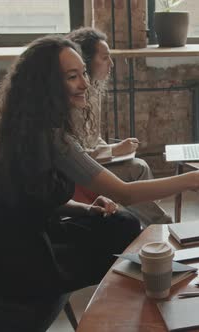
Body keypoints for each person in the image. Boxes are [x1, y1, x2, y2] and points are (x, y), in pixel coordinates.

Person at [0, 35, 199, 330]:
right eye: (73, 76)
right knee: (123, 228)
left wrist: (84, 210)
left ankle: (131, 310)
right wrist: (194, 179)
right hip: (17, 259)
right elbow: (125, 192)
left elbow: (32, 199)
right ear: (45, 87)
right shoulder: (50, 138)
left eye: (83, 72)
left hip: (22, 239)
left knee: (120, 223)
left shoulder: (27, 127)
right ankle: (127, 316)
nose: (84, 83)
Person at [67, 27, 171, 226]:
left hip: (91, 160)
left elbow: (93, 136)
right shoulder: (74, 100)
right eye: (105, 58)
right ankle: (160, 223)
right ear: (86, 61)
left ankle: (149, 219)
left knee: (139, 166)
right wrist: (114, 150)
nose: (111, 64)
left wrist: (117, 151)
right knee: (137, 169)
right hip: (79, 172)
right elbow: (76, 155)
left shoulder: (93, 91)